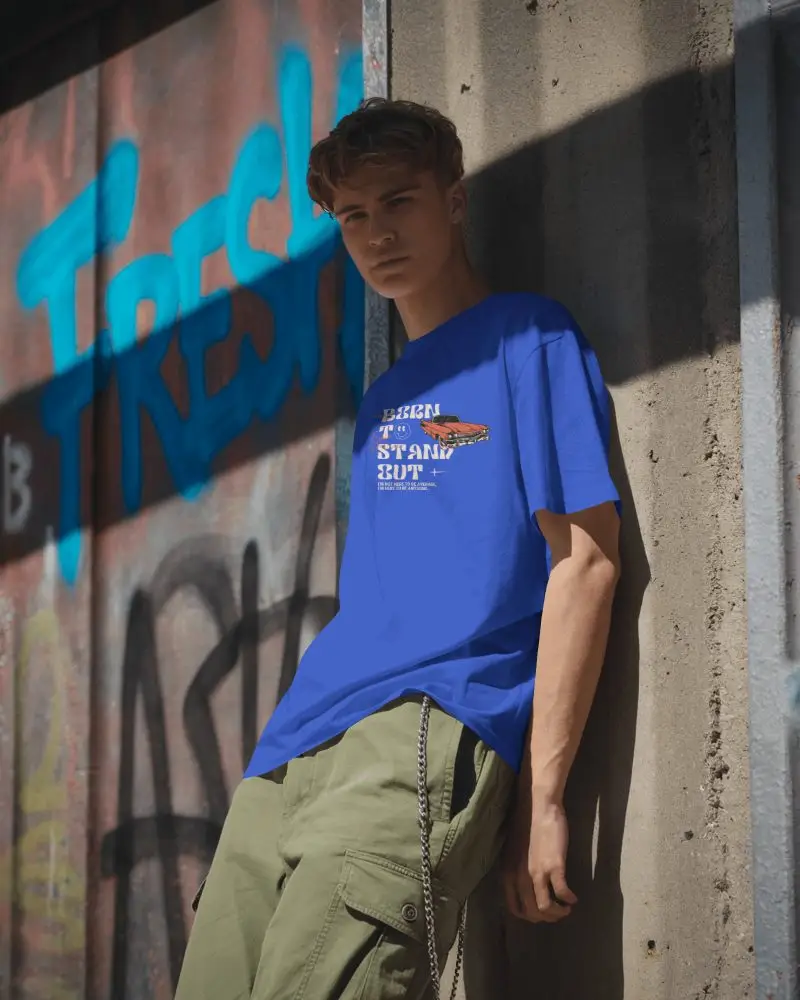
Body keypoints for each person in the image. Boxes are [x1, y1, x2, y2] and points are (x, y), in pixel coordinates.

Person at [175, 97, 621, 1000]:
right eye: (353, 216)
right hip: (292, 750)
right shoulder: (384, 402)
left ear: (454, 201)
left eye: (399, 201)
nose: (377, 233)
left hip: (418, 734)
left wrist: (542, 799)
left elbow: (586, 562)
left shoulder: (526, 337)